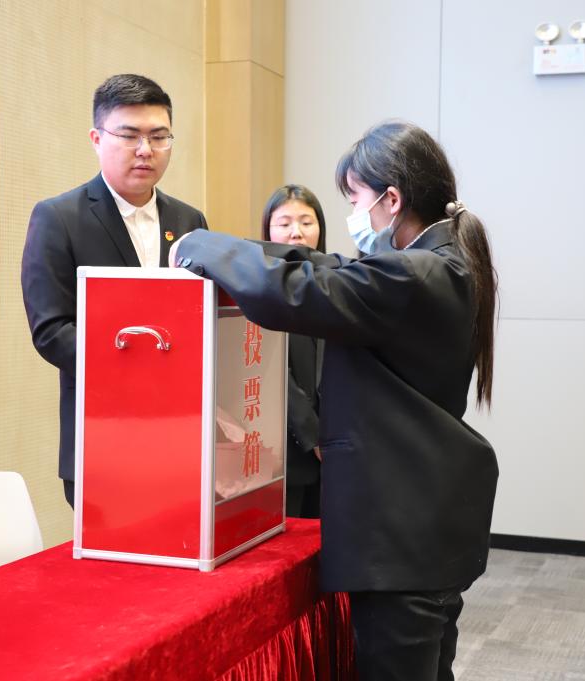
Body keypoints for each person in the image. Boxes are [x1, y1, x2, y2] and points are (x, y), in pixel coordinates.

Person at [170, 120, 499, 681]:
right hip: (426, 521)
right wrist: (238, 247)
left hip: (403, 535)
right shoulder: (441, 260)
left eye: (355, 200)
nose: (353, 214)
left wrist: (199, 245)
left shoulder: (416, 273)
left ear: (392, 200)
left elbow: (297, 291)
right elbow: (332, 268)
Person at [21, 74, 208, 508]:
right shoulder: (59, 218)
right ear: (96, 139)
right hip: (102, 433)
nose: (146, 149)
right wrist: (146, 366)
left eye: (159, 136)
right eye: (129, 135)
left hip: (182, 434)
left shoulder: (190, 220)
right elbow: (52, 331)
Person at [261, 184, 327, 519]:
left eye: (306, 222)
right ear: (268, 230)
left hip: (335, 445)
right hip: (285, 445)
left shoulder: (336, 280)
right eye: (284, 223)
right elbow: (271, 370)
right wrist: (312, 434)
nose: (296, 233)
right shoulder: (260, 287)